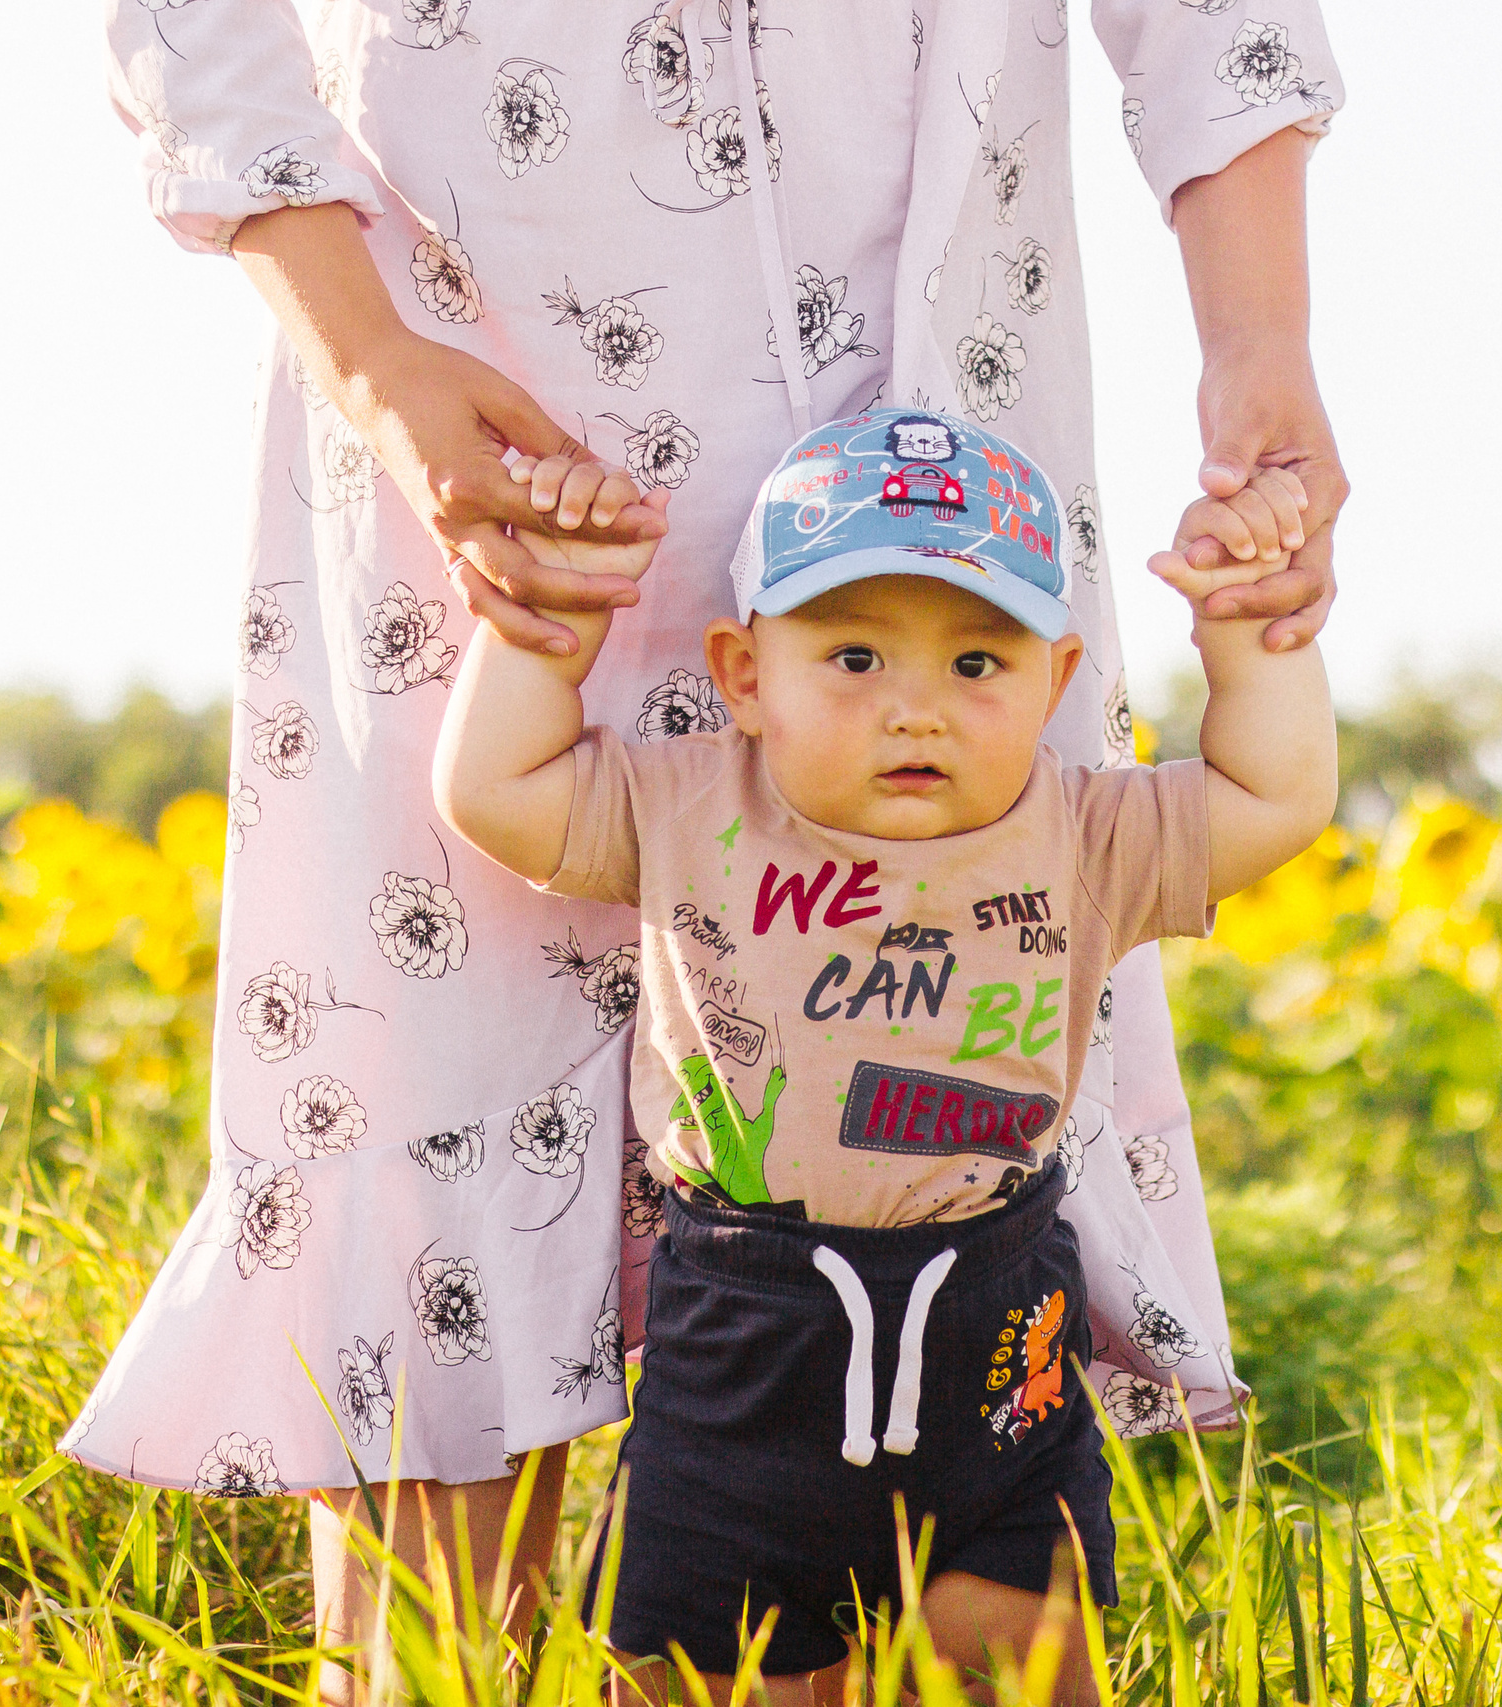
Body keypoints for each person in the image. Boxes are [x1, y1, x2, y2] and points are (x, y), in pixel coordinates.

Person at [70, 1, 1349, 1693]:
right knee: (449, 1094)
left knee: (910, 1139)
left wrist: (1260, 343)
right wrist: (369, 353)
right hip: (490, 356)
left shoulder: (987, 695)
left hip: (937, 390)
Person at [432, 407, 1337, 1701]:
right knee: (701, 1675)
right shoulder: (689, 805)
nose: (918, 710)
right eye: (854, 656)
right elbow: (495, 793)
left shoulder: (1085, 835)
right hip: (744, 1345)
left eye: (977, 664)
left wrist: (1247, 644)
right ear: (746, 675)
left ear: (1055, 684)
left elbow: (1275, 799)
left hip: (996, 1335)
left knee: (1026, 1662)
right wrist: (545, 635)